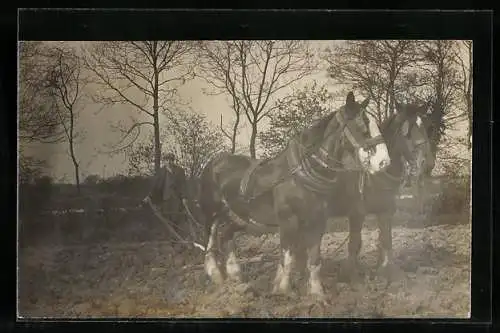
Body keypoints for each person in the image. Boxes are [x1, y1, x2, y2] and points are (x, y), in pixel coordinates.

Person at [143, 153, 188, 237]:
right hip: (165, 198)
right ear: (164, 161)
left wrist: (184, 197)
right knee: (166, 218)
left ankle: (176, 239)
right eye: (167, 160)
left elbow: (183, 185)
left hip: (176, 199)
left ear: (173, 161)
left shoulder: (180, 171)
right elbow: (156, 186)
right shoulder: (161, 172)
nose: (169, 162)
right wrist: (149, 196)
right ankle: (169, 239)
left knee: (175, 218)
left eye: (171, 160)